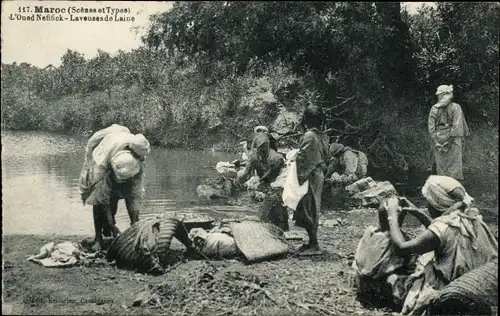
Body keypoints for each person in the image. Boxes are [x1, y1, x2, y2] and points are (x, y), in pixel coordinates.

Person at [354, 175, 498, 315]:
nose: (427, 206)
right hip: (475, 283)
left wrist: (392, 216)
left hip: (449, 289)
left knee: (384, 282)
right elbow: (443, 234)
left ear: (437, 204)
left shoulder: (443, 227)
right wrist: (418, 212)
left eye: (428, 203)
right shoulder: (472, 218)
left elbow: (403, 248)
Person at [79, 125, 150, 252]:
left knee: (124, 199)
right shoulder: (101, 166)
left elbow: (135, 196)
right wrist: (111, 224)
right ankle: (98, 238)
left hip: (120, 154)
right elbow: (103, 199)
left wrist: (135, 225)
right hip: (100, 155)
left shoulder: (139, 159)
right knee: (98, 199)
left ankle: (111, 227)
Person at [293, 105, 330, 255]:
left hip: (310, 174)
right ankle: (312, 242)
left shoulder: (309, 135)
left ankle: (314, 244)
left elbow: (304, 158)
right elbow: (326, 156)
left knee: (309, 206)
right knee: (313, 205)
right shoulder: (323, 135)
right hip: (318, 173)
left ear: (306, 119)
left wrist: (296, 168)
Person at [428, 85, 470, 181]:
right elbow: (457, 127)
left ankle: (444, 191)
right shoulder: (456, 107)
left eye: (439, 95)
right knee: (454, 168)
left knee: (442, 168)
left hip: (439, 139)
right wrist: (448, 143)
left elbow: (431, 129)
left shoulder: (434, 108)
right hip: (454, 140)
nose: (438, 97)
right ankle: (454, 191)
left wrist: (436, 143)